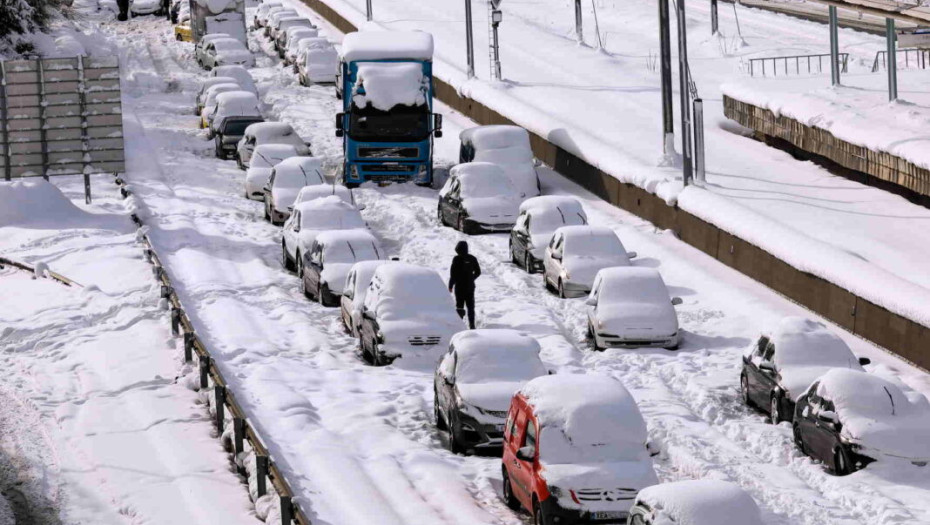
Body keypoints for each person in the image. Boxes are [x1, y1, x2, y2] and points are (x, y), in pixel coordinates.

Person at [448, 240, 481, 329]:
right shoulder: (472, 258)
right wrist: (471, 278)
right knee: (470, 307)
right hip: (470, 287)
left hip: (459, 288)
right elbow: (478, 272)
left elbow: (453, 275)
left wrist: (450, 286)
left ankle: (459, 325)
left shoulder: (456, 259)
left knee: (459, 306)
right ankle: (472, 325)